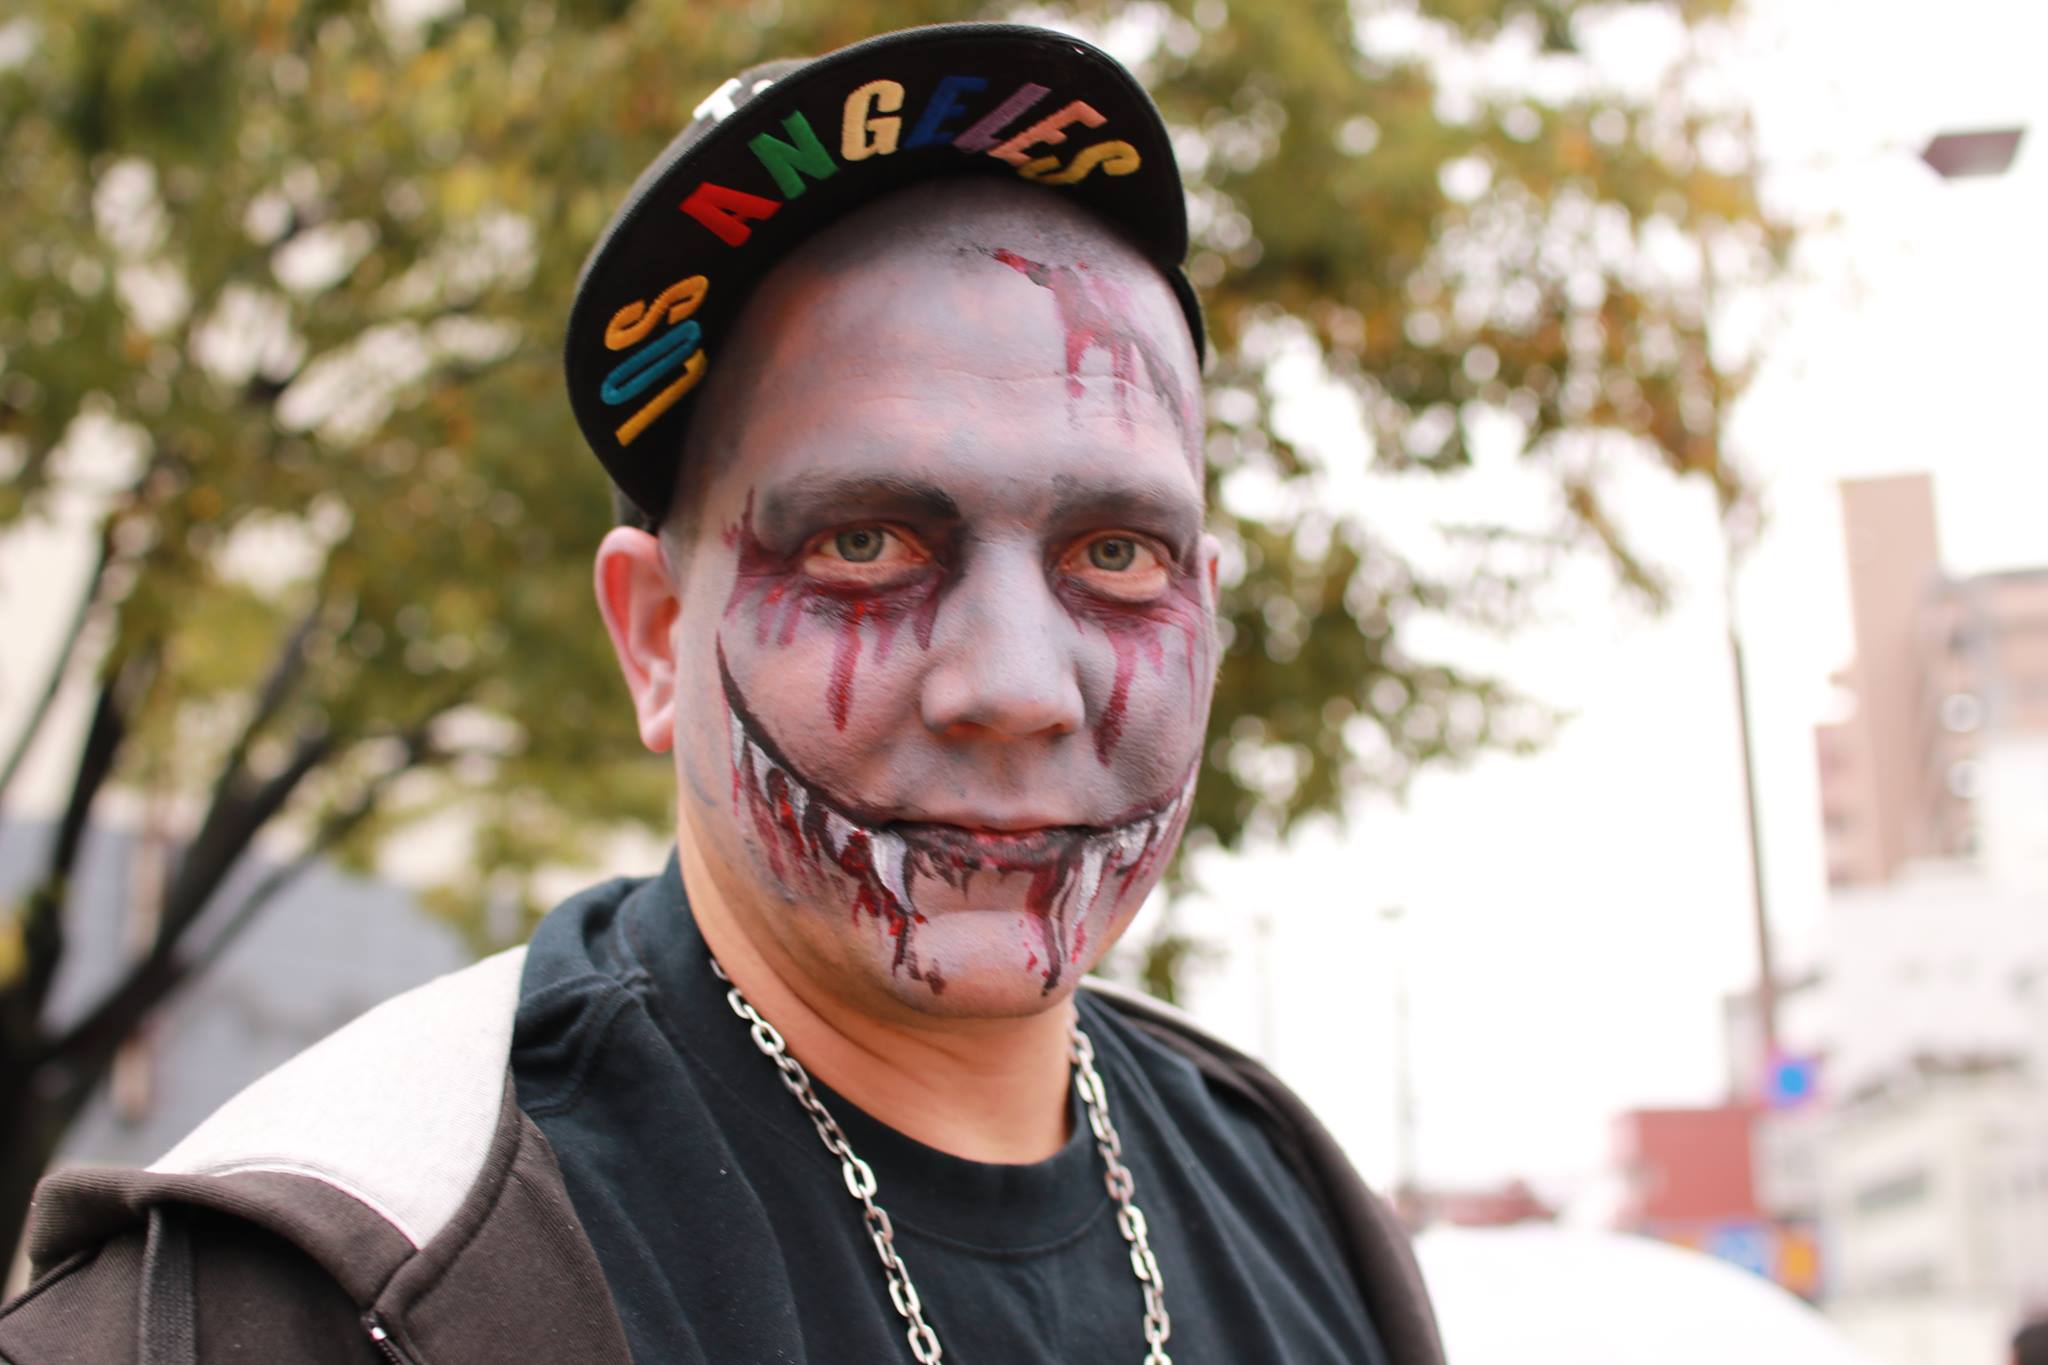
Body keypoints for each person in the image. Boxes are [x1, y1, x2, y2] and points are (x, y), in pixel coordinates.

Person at [0, 23, 1443, 1364]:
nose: (1017, 687)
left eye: (1116, 554)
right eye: (865, 545)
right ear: (654, 637)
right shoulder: (311, 1283)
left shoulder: (1302, 1212)